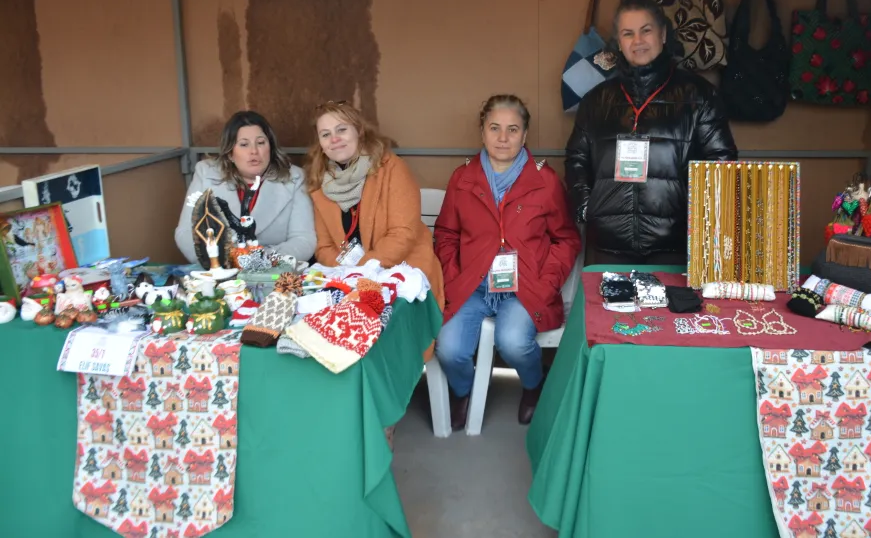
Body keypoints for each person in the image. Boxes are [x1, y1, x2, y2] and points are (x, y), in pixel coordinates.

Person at [434, 95, 581, 428]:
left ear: (524, 135)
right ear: (482, 132)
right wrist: (454, 276)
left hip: (524, 288)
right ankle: (464, 391)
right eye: (495, 128)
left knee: (513, 342)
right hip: (473, 286)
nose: (503, 138)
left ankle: (533, 385)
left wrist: (546, 282)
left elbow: (567, 239)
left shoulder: (545, 181)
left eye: (513, 129)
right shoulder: (462, 178)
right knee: (449, 349)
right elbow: (446, 234)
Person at [565, 0, 738, 265]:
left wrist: (699, 223)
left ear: (663, 34)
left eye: (646, 30)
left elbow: (721, 164)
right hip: (608, 246)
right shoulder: (596, 101)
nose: (638, 41)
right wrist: (588, 209)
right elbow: (576, 158)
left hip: (676, 247)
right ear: (619, 42)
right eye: (628, 33)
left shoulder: (699, 95)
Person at [306, 100, 445, 314]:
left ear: (359, 131)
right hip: (347, 278)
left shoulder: (391, 168)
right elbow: (324, 246)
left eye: (341, 130)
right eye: (325, 134)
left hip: (402, 272)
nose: (334, 139)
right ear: (320, 143)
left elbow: (402, 235)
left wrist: (361, 271)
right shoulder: (319, 182)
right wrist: (348, 275)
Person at [175, 111, 316, 264]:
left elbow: (304, 239)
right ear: (230, 153)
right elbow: (186, 233)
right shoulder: (206, 173)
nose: (254, 151)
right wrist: (228, 260)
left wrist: (261, 260)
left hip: (273, 270)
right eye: (244, 144)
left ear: (270, 147)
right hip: (221, 269)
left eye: (260, 143)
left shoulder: (294, 178)